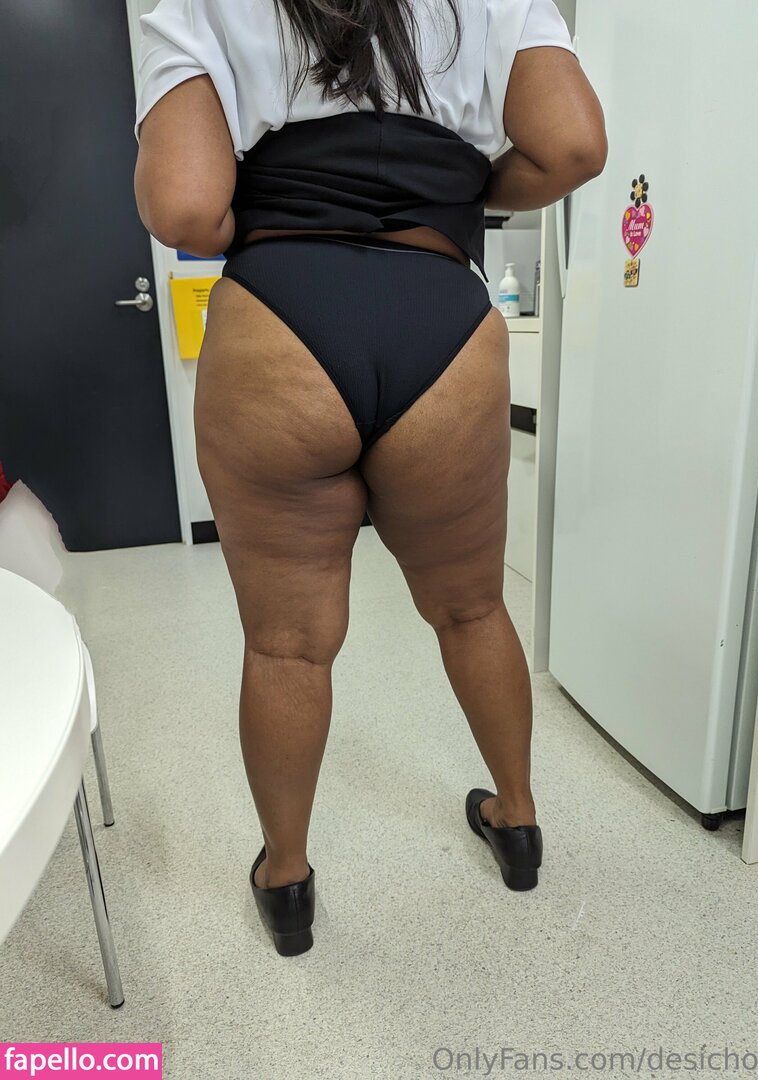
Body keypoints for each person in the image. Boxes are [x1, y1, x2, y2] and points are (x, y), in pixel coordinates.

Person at [134, 0, 607, 956]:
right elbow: (572, 147)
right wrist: (460, 196)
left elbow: (185, 209)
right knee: (472, 609)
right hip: (444, 315)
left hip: (280, 315)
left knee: (287, 646)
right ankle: (516, 823)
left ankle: (286, 880)